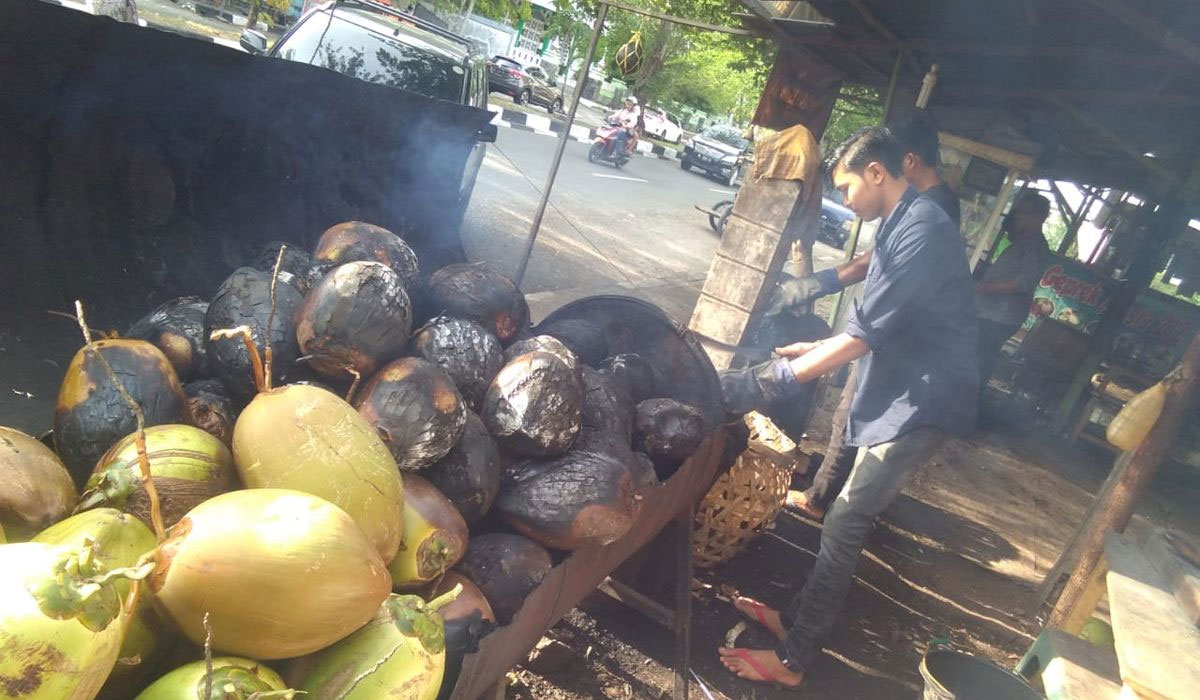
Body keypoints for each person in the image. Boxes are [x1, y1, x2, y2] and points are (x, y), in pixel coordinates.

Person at [716, 126, 978, 689]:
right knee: (841, 520)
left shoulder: (926, 228)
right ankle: (794, 621)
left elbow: (862, 340)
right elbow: (871, 321)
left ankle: (794, 660)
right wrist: (815, 344)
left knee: (845, 521)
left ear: (878, 173)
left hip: (924, 399)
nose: (845, 198)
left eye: (846, 185)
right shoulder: (901, 221)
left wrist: (772, 379)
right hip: (904, 384)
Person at [773, 109, 962, 521]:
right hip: (901, 348)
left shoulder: (928, 215)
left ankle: (823, 500)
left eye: (846, 188)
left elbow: (869, 302)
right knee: (852, 412)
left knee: (852, 420)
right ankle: (829, 496)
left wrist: (782, 375)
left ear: (903, 163)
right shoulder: (912, 209)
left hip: (916, 370)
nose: (845, 200)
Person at [975, 192, 1051, 393]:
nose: (1017, 217)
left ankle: (968, 398)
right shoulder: (1022, 242)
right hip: (990, 311)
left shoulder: (1035, 246)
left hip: (1000, 315)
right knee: (977, 354)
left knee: (981, 357)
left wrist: (985, 287)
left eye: (1023, 213)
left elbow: (1023, 283)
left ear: (1037, 217)